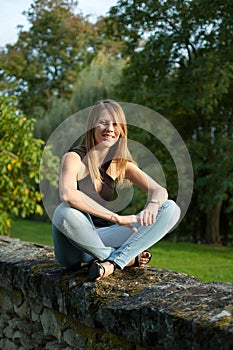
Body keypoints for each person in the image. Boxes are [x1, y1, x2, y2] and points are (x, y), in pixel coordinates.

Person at [52, 99, 181, 281]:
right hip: (73, 246)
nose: (110, 128)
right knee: (63, 212)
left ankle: (113, 262)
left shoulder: (120, 164)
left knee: (171, 209)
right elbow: (68, 194)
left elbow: (159, 190)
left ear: (121, 130)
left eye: (115, 124)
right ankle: (125, 258)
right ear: (92, 126)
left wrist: (152, 205)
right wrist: (116, 218)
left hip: (102, 238)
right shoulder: (73, 158)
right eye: (103, 122)